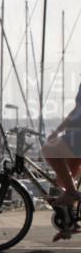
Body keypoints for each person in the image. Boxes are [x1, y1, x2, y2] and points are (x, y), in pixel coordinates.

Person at [41, 82, 81, 238]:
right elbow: (76, 111)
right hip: (75, 135)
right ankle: (69, 224)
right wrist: (57, 130)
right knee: (65, 179)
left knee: (48, 149)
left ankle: (71, 193)